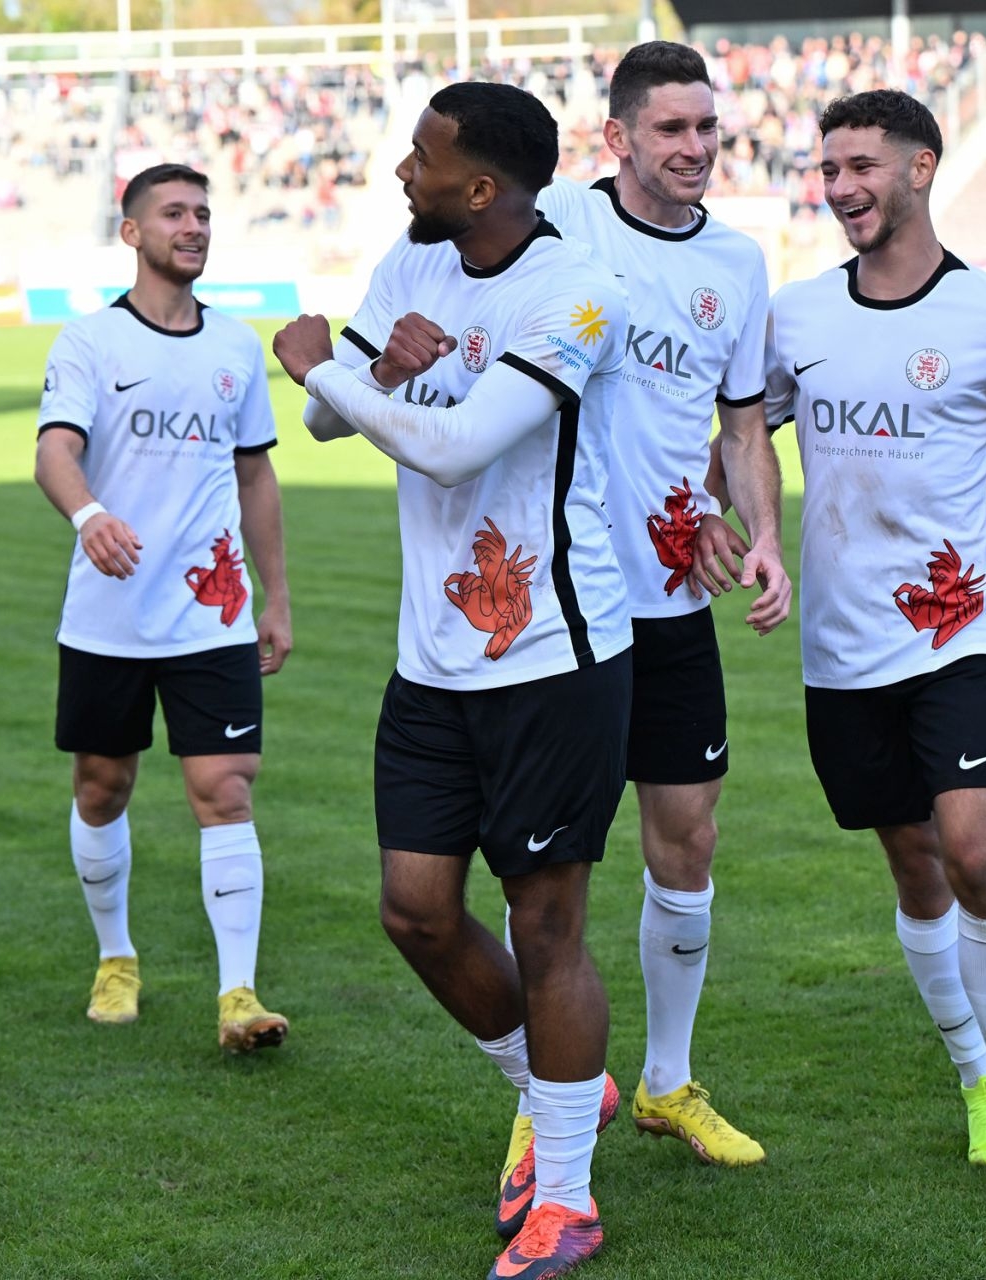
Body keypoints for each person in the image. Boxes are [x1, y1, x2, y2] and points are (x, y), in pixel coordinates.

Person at [272, 81, 630, 1280]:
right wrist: (371, 370)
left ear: (480, 187)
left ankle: (567, 1197)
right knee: (415, 911)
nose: (401, 172)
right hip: (431, 659)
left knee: (546, 922)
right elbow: (335, 425)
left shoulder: (576, 293)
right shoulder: (412, 260)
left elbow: (456, 442)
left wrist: (323, 367)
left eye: (421, 158)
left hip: (553, 657)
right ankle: (557, 1085)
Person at [764, 90, 986, 1203]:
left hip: (958, 630)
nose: (841, 187)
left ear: (920, 166)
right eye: (829, 169)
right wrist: (736, 527)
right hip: (840, 647)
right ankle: (974, 1081)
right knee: (914, 865)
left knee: (971, 851)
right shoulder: (794, 319)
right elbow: (735, 434)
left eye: (861, 165)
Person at [510, 39, 791, 1202]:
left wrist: (760, 530)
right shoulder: (560, 225)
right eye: (671, 128)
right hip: (563, 605)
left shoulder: (737, 261)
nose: (695, 147)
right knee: (552, 874)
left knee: (688, 836)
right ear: (618, 136)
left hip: (673, 603)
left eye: (707, 128)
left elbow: (741, 427)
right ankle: (542, 1100)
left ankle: (668, 1080)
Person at [32, 162, 293, 1052]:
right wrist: (90, 515)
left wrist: (275, 596)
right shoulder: (89, 342)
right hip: (108, 614)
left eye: (203, 214)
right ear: (132, 233)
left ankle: (239, 995)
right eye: (174, 213)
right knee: (102, 787)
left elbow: (255, 475)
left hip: (211, 611)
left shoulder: (236, 347)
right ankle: (116, 957)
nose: (194, 226)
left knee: (225, 788)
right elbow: (54, 453)